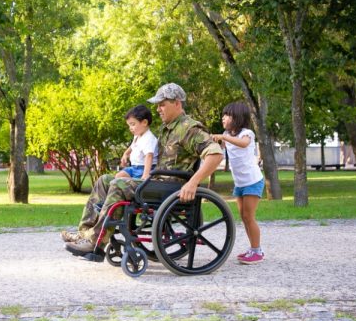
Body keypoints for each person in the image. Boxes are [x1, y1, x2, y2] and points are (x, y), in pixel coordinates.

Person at [61, 83, 224, 256]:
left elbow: (215, 154)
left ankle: (96, 243)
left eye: (162, 104)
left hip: (170, 186)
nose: (158, 109)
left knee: (119, 184)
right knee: (104, 180)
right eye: (157, 105)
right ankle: (85, 234)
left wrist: (193, 183)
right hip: (156, 182)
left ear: (177, 103)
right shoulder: (167, 128)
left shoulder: (189, 129)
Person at [212, 101, 265, 264]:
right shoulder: (226, 135)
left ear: (238, 118)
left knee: (249, 216)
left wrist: (224, 137)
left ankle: (258, 251)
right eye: (223, 115)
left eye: (227, 115)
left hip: (252, 181)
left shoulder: (246, 133)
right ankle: (252, 249)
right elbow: (219, 151)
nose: (223, 118)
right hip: (240, 183)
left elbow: (244, 144)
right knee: (243, 217)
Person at [116, 105, 158, 180]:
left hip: (143, 169)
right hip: (134, 168)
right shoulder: (138, 136)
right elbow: (132, 147)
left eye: (133, 124)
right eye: (129, 125)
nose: (130, 128)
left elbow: (149, 156)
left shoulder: (148, 138)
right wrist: (125, 154)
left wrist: (146, 174)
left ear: (144, 122)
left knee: (120, 181)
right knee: (119, 176)